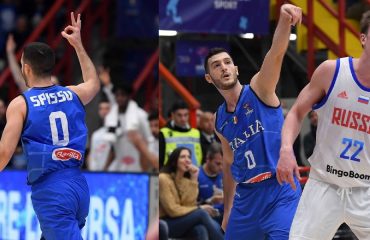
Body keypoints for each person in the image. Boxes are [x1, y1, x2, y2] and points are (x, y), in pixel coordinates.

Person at [204, 4, 302, 239]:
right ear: (209, 78)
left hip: (280, 188)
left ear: (236, 69)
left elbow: (275, 53)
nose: (224, 68)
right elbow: (228, 163)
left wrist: (283, 20)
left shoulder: (260, 88)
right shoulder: (219, 119)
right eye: (217, 66)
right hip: (246, 197)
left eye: (227, 62)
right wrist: (227, 210)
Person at [0, 12, 100, 239]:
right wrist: (78, 45)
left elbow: (4, 152)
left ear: (26, 68)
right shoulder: (72, 93)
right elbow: (93, 83)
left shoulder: (21, 104)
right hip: (78, 186)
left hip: (52, 190)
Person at [276, 9, 370, 240]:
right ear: (363, 38)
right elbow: (296, 112)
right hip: (324, 185)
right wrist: (286, 149)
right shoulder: (333, 71)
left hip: (366, 189)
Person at [159, 146, 223, 240]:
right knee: (201, 213)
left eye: (189, 157)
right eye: (183, 157)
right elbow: (172, 210)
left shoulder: (185, 180)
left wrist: (194, 177)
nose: (188, 160)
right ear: (174, 160)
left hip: (180, 221)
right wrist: (199, 208)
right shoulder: (163, 178)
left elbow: (189, 204)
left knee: (200, 229)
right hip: (166, 222)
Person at [159, 100, 203, 168]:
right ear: (172, 115)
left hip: (193, 174)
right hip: (171, 175)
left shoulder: (196, 133)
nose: (183, 118)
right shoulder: (163, 133)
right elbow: (160, 159)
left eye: (185, 115)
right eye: (179, 115)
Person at [197, 142, 224, 224]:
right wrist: (210, 201)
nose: (221, 167)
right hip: (206, 217)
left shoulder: (226, 173)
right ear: (208, 159)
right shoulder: (196, 175)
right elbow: (190, 206)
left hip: (225, 214)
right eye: (218, 164)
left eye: (223, 164)